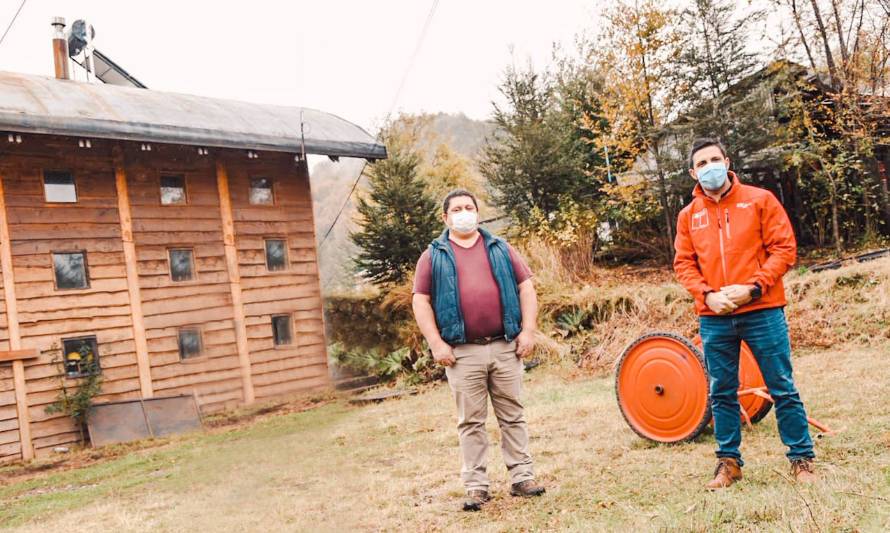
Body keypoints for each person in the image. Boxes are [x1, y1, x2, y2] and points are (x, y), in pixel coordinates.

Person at [673, 138, 817, 489]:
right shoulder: (689, 216)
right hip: (714, 316)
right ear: (693, 172)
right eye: (702, 164)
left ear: (727, 161)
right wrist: (707, 295)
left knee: (781, 386)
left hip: (762, 309)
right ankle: (728, 464)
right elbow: (683, 264)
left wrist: (754, 286)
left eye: (714, 160)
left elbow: (784, 250)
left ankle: (801, 459)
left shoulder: (759, 200)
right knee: (722, 391)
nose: (710, 167)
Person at [412, 189, 546, 511]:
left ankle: (522, 478)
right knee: (470, 422)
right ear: (445, 218)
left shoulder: (500, 248)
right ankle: (476, 486)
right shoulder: (434, 255)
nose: (463, 213)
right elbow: (420, 300)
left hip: (504, 346)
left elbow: (526, 287)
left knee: (512, 415)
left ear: (478, 212)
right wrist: (436, 343)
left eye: (468, 207)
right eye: (456, 209)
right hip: (462, 353)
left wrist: (527, 331)